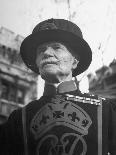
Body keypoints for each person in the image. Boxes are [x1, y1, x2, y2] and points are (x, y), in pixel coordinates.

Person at [0, 18, 116, 155]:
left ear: (75, 61)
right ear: (37, 63)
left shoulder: (105, 110)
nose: (47, 53)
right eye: (41, 50)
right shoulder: (18, 119)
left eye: (56, 47)